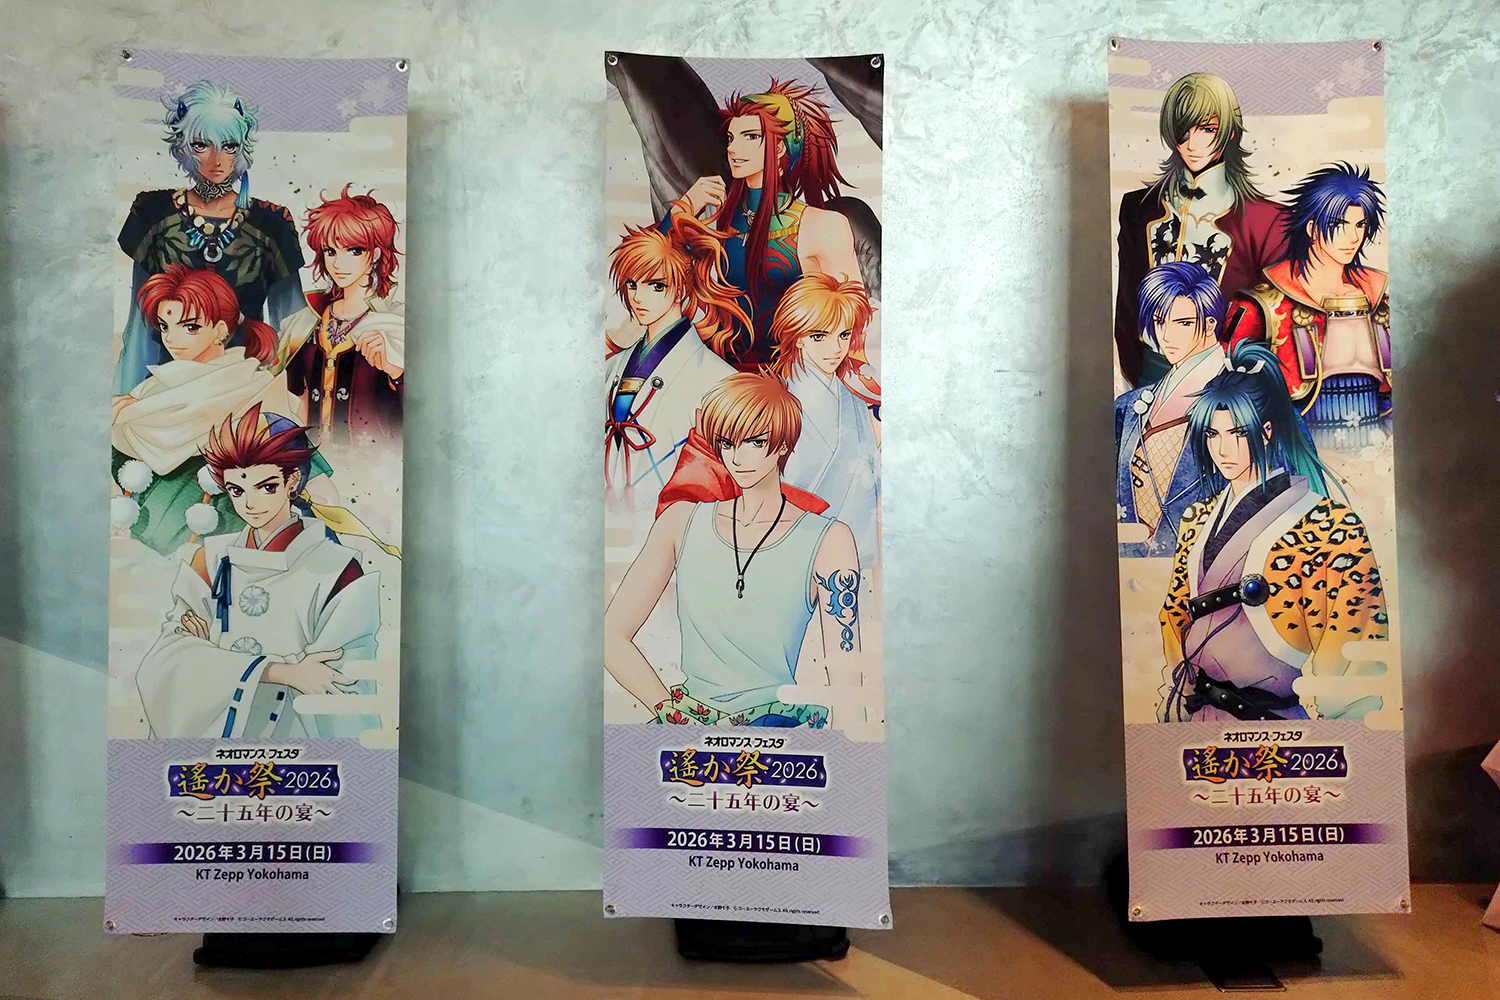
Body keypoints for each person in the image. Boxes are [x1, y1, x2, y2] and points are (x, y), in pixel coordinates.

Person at [604, 373, 861, 727]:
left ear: (783, 445)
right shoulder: (680, 522)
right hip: (689, 729)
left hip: (777, 726)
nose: (738, 457)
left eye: (755, 442)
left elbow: (847, 674)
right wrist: (668, 711)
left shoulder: (830, 539)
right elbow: (611, 636)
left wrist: (848, 752)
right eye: (726, 443)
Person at [1157, 342, 1388, 723]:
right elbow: (1174, 616)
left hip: (1275, 722)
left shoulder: (1327, 525)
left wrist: (1346, 722)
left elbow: (1353, 652)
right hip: (1195, 715)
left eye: (1237, 433)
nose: (1223, 449)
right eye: (1212, 434)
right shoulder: (1198, 518)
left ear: (1265, 432)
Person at [135, 404, 384, 739]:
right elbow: (166, 662)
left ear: (292, 481)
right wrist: (281, 671)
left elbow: (339, 686)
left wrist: (213, 657)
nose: (249, 504)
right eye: (237, 490)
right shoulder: (210, 560)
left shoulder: (338, 569)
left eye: (266, 487)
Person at [115, 81, 304, 394]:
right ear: (182, 147)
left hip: (242, 387)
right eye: (201, 145)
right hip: (165, 388)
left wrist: (273, 394)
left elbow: (293, 324)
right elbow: (139, 328)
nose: (217, 160)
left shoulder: (271, 222)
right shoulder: (152, 212)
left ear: (242, 148)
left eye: (229, 146)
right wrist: (128, 397)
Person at [667, 80, 863, 368]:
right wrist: (683, 208)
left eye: (750, 136)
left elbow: (852, 320)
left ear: (780, 147)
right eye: (731, 138)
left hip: (791, 380)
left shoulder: (823, 225)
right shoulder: (718, 219)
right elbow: (650, 269)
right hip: (719, 375)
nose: (733, 149)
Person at [111, 265, 300, 554]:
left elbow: (301, 470)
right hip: (140, 539)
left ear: (220, 330)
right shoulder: (146, 393)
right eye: (164, 326)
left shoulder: (255, 386)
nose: (171, 338)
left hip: (221, 535)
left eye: (190, 327)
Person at [1115, 72, 1288, 387]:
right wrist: (1135, 379)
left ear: (1230, 132)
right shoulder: (1137, 208)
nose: (1192, 145)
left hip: (1227, 382)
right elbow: (1126, 305)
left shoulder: (1268, 220)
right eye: (1183, 130)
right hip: (1149, 374)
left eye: (1207, 129)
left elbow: (1274, 322)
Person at [1227, 163, 1391, 434]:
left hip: (1376, 445)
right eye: (1339, 225)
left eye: (1360, 225)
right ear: (1313, 228)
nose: (1353, 237)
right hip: (1295, 446)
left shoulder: (1379, 301)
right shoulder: (1262, 306)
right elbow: (1229, 395)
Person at [604, 213, 743, 510]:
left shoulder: (719, 379)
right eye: (632, 285)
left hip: (675, 514)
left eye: (656, 286)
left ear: (680, 288)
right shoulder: (612, 367)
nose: (638, 298)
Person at [1114, 262, 1226, 556]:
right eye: (1159, 321)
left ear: (1210, 323)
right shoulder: (1129, 406)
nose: (1166, 336)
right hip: (1131, 562)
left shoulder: (1249, 398)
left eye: (1183, 323)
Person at [767, 274, 880, 565]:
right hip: (795, 542)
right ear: (797, 336)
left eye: (844, 335)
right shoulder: (778, 399)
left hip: (855, 541)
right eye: (819, 336)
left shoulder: (853, 397)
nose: (835, 349)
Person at [280, 186, 405, 441]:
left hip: (376, 458)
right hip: (317, 456)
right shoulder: (308, 320)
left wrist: (396, 373)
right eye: (330, 252)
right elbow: (299, 401)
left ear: (375, 254)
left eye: (354, 250)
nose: (338, 263)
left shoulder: (395, 322)